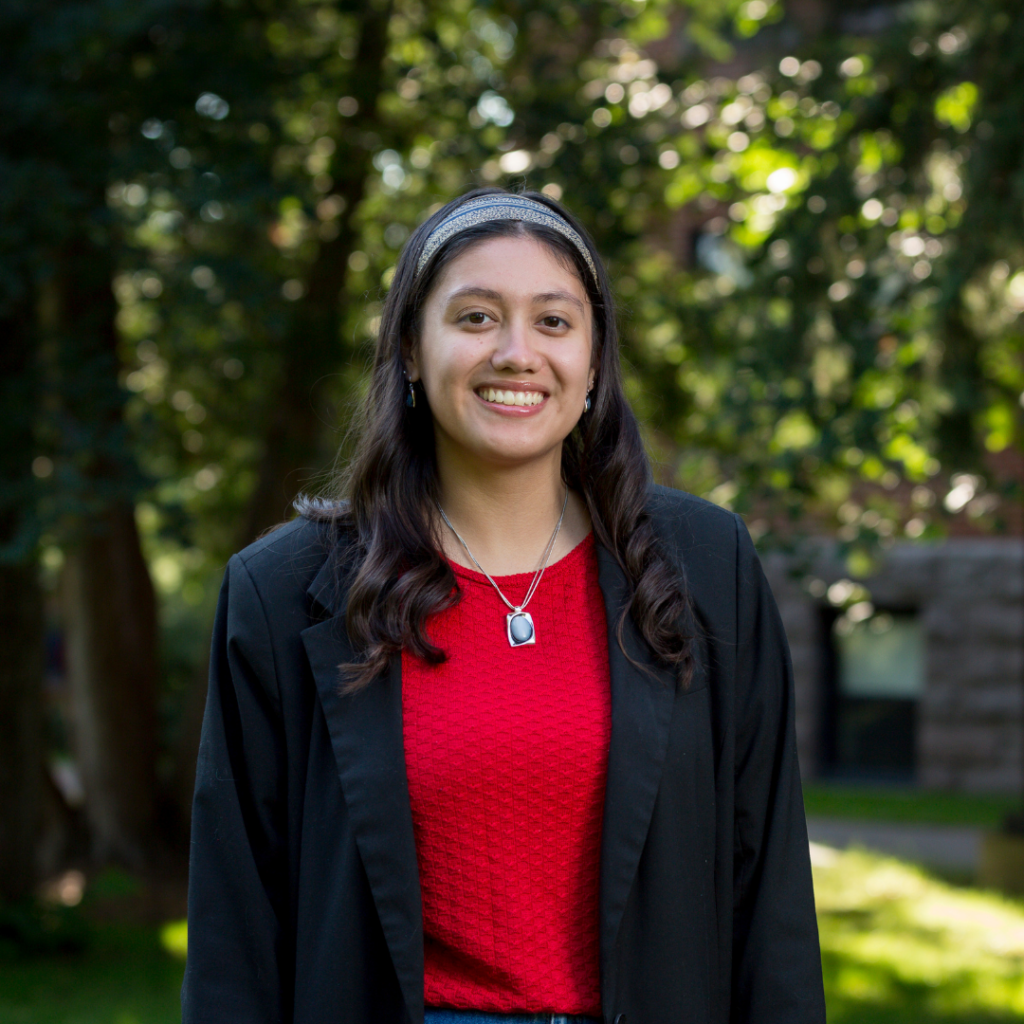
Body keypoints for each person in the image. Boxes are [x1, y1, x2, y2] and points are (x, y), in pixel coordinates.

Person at [181, 186, 825, 1024]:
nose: (517, 353)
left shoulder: (707, 566)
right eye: (476, 317)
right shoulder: (281, 592)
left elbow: (767, 885)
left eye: (554, 322)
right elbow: (236, 925)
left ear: (594, 362)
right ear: (411, 349)